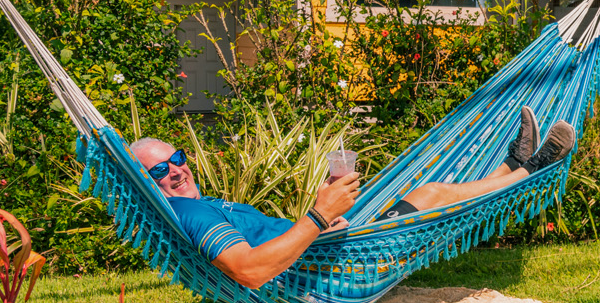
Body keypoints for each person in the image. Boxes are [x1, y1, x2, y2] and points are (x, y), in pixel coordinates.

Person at [131, 107, 576, 289]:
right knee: (431, 193)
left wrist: (324, 222)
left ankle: (509, 168)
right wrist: (319, 217)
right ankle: (528, 170)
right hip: (338, 273)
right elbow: (248, 270)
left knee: (426, 192)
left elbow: (269, 241)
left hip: (330, 248)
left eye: (178, 158)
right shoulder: (187, 212)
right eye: (159, 170)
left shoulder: (200, 205)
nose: (175, 170)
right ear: (147, 184)